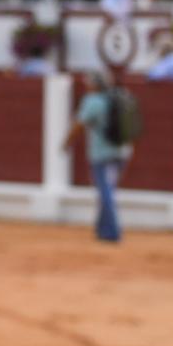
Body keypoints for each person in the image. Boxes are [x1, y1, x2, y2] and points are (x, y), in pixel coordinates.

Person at [64, 69, 131, 243]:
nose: (87, 86)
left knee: (105, 191)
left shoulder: (93, 101)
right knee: (107, 190)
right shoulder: (119, 96)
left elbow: (79, 124)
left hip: (102, 154)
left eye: (89, 83)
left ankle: (113, 232)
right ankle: (102, 230)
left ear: (94, 85)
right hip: (122, 152)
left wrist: (67, 143)